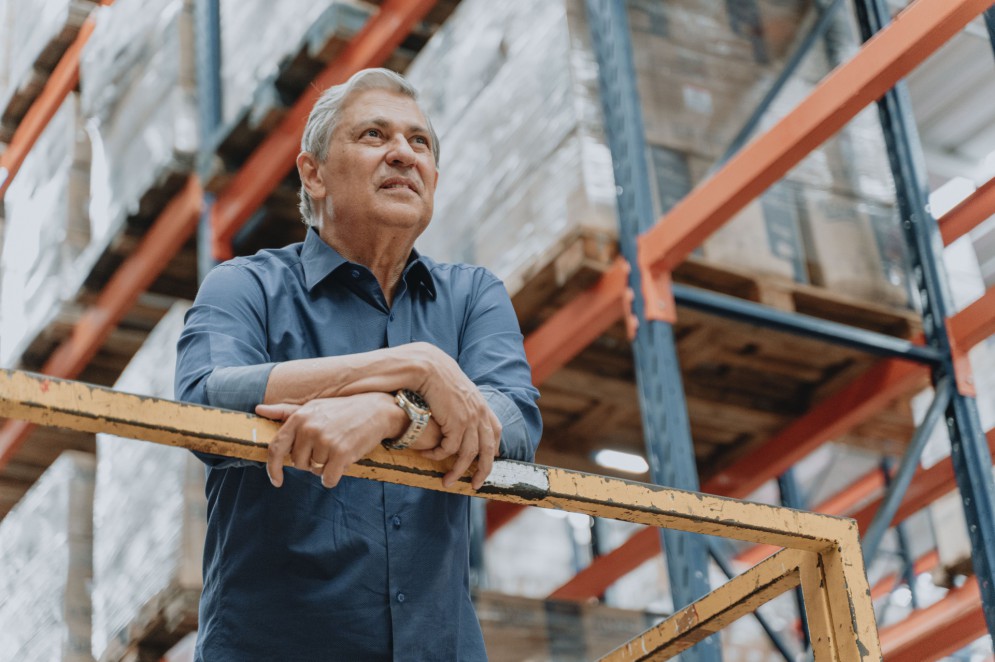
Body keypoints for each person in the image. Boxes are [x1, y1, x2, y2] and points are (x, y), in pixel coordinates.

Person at [174, 68, 542, 661]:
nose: (403, 154)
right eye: (374, 135)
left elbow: (515, 425)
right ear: (313, 174)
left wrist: (391, 413)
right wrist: (415, 365)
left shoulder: (473, 295)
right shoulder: (246, 286)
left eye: (419, 142)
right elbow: (202, 402)